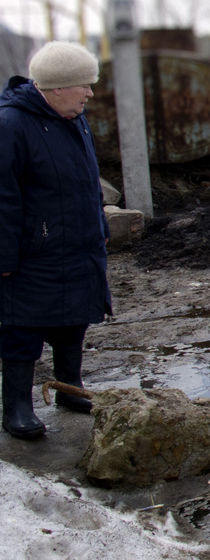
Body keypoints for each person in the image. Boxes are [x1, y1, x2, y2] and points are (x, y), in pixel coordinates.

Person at [0, 41, 112, 439]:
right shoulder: (11, 124)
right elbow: (3, 196)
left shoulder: (74, 117)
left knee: (73, 321)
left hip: (77, 243)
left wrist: (99, 228)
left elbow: (86, 179)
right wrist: (5, 257)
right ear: (57, 87)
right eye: (84, 85)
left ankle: (69, 388)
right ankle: (15, 407)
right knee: (21, 328)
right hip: (33, 252)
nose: (90, 93)